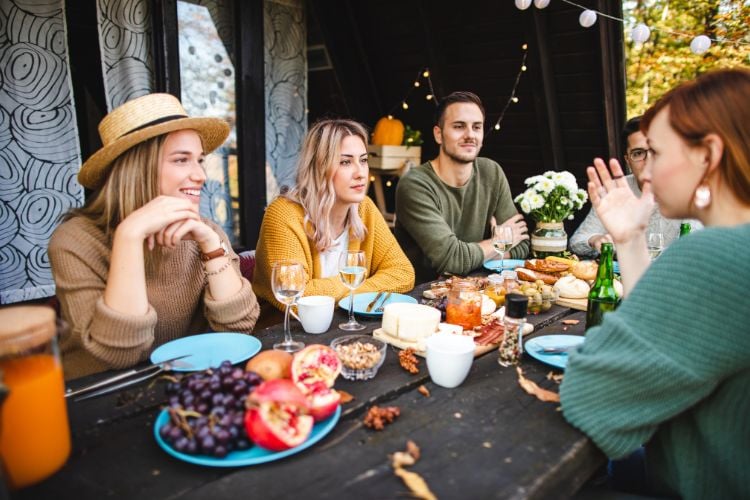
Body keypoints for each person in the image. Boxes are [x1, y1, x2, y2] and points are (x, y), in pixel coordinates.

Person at [560, 68, 750, 499]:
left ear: (709, 155)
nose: (645, 173)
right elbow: (666, 354)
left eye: (657, 153)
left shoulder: (714, 256)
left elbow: (590, 398)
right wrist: (629, 242)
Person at [49, 93, 260, 379]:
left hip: (185, 385)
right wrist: (130, 236)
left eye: (199, 160)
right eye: (181, 160)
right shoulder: (75, 241)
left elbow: (239, 327)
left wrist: (211, 244)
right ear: (137, 169)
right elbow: (120, 353)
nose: (200, 175)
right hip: (97, 396)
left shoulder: (204, 231)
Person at [253, 119, 415, 312]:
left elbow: (403, 273)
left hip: (344, 326)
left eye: (363, 160)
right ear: (319, 167)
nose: (361, 173)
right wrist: (354, 285)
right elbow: (297, 296)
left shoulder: (364, 208)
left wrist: (354, 289)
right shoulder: (283, 214)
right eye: (345, 162)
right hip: (284, 331)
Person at [394, 91, 529, 283]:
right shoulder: (415, 184)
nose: (470, 135)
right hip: (422, 299)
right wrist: (497, 243)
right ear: (438, 134)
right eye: (459, 126)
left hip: (478, 289)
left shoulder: (491, 172)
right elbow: (452, 260)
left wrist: (474, 255)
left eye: (477, 127)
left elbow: (522, 245)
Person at [569, 116, 700, 257]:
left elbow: (695, 248)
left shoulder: (691, 191)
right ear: (628, 161)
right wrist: (596, 240)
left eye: (655, 151)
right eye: (638, 153)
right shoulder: (614, 189)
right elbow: (577, 241)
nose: (648, 161)